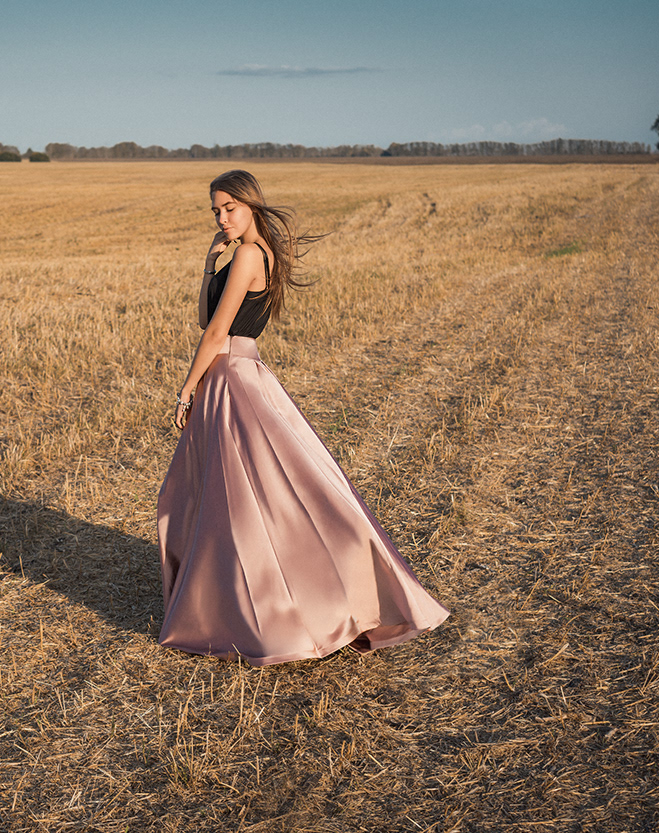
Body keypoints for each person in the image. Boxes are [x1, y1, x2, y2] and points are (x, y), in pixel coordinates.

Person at [156, 170, 449, 666]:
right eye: (215, 211)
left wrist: (186, 390)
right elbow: (207, 320)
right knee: (256, 497)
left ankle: (255, 611)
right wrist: (209, 265)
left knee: (234, 502)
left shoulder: (250, 255)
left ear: (250, 205)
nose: (222, 218)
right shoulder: (257, 254)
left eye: (229, 208)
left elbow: (213, 335)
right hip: (241, 375)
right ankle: (260, 599)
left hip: (229, 378)